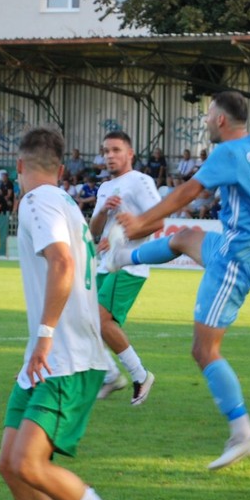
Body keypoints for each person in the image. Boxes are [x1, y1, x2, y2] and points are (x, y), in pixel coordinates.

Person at [106, 91, 250, 470]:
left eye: (208, 116)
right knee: (184, 238)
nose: (206, 121)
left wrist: (142, 220)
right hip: (244, 245)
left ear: (222, 121)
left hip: (236, 258)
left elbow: (186, 192)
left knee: (204, 350)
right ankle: (121, 258)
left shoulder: (227, 154)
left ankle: (243, 430)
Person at [0, 126, 142, 500]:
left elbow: (61, 263)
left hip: (64, 358)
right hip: (48, 357)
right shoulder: (65, 204)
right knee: (10, 464)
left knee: (30, 464)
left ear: (20, 167)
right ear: (61, 170)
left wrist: (44, 335)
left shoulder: (36, 203)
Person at [89, 131, 161, 406]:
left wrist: (124, 236)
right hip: (106, 264)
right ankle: (110, 375)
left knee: (100, 319)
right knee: (87, 320)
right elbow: (95, 230)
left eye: (116, 150)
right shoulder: (105, 187)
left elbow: (158, 221)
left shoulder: (141, 181)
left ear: (130, 153)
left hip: (129, 263)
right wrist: (104, 212)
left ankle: (140, 375)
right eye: (106, 150)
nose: (109, 155)